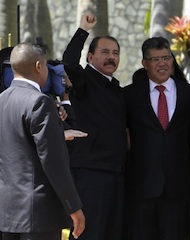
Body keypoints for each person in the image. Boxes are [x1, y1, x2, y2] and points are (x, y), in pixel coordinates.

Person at [0, 42, 85, 240]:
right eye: (46, 65)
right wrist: (73, 206)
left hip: (7, 213)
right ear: (38, 66)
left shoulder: (2, 100)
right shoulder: (39, 102)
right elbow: (52, 161)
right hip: (38, 213)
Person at [123, 36, 190, 240]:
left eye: (166, 58)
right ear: (145, 63)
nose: (162, 63)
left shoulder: (188, 93)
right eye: (155, 59)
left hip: (177, 187)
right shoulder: (129, 95)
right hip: (141, 187)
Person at [62, 11, 127, 240]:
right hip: (90, 173)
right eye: (105, 52)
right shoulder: (85, 81)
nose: (111, 57)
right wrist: (83, 30)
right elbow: (69, 61)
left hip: (115, 175)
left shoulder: (118, 90)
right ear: (90, 58)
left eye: (115, 53)